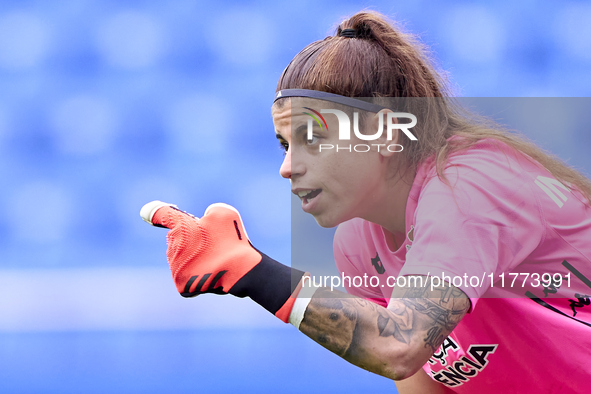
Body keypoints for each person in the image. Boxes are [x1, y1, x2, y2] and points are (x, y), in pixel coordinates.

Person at [141, 11, 591, 393]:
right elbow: (418, 379)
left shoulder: (469, 185)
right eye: (284, 145)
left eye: (312, 137)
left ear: (386, 133)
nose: (288, 167)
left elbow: (399, 346)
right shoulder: (358, 242)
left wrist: (253, 271)